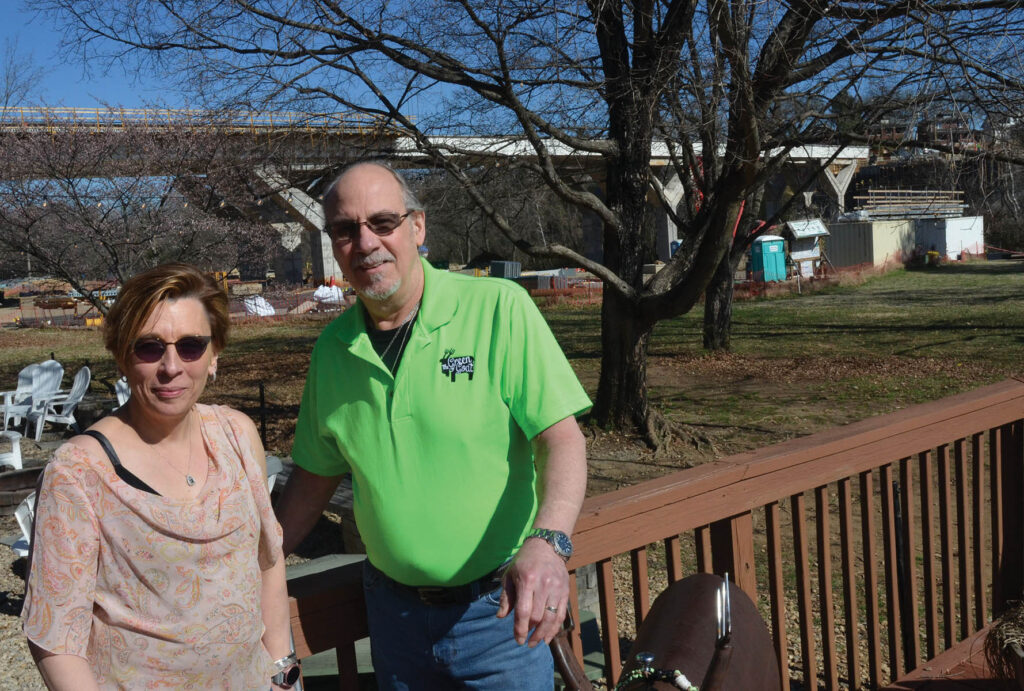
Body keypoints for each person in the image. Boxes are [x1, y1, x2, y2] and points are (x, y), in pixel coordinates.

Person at [275, 161, 591, 689]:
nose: (366, 242)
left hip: (499, 617)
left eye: (382, 222)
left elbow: (561, 440)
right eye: (345, 229)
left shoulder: (498, 308)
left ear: (417, 227)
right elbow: (313, 476)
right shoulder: (333, 350)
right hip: (394, 619)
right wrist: (253, 562)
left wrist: (548, 542)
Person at [22, 264, 298, 690]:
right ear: (121, 354)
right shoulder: (79, 472)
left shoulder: (237, 435)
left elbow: (268, 560)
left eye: (191, 346)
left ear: (214, 353)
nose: (171, 366)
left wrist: (284, 673)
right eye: (149, 347)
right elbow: (57, 638)